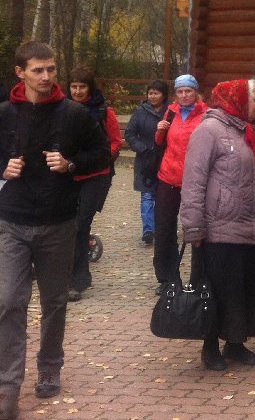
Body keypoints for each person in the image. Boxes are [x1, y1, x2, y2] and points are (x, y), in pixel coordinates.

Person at [0, 41, 111, 416]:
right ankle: (7, 386)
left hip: (58, 223)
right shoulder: (4, 114)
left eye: (51, 69)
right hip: (11, 222)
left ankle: (49, 368)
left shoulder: (74, 114)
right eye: (38, 70)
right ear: (20, 73)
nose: (46, 76)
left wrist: (70, 164)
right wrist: (2, 169)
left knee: (54, 302)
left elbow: (103, 153)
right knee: (8, 301)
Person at [180, 79, 255, 372]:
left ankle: (235, 343)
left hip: (252, 229)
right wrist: (193, 227)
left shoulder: (253, 131)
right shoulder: (209, 130)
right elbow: (193, 181)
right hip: (219, 231)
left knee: (243, 291)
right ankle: (210, 347)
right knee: (216, 292)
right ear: (238, 100)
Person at [65, 67, 122, 302]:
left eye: (82, 87)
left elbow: (115, 141)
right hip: (69, 174)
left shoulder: (104, 112)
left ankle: (77, 280)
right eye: (74, 87)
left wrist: (102, 159)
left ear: (90, 88)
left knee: (80, 225)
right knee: (67, 225)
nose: (78, 91)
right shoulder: (62, 110)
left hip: (97, 175)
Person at [153, 75, 208, 293]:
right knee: (164, 229)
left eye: (188, 91)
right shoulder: (171, 112)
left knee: (196, 229)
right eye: (180, 92)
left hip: (195, 181)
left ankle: (198, 278)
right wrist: (159, 130)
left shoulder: (206, 114)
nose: (184, 95)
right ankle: (168, 278)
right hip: (168, 177)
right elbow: (160, 142)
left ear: (196, 92)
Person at [124, 80, 168, 247]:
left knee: (163, 197)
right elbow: (130, 134)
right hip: (145, 161)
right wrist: (143, 149)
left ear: (163, 95)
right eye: (150, 93)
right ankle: (148, 230)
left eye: (156, 93)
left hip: (165, 160)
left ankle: (162, 228)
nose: (153, 96)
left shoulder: (171, 112)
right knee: (147, 196)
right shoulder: (140, 112)